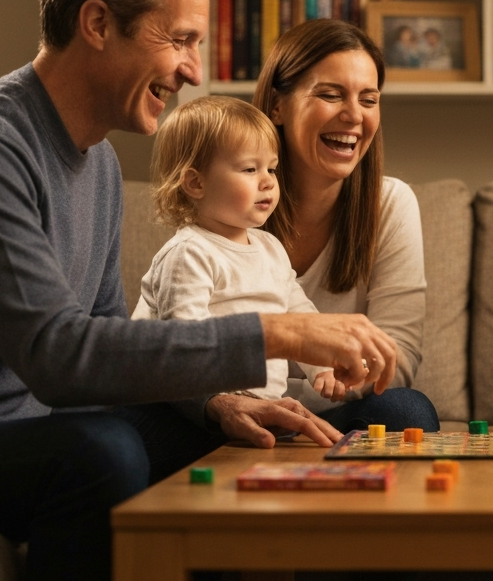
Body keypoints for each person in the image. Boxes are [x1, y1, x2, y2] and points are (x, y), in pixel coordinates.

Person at [0, 0, 400, 581]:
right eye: (179, 40)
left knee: (213, 439)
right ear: (97, 23)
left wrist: (213, 405)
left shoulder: (99, 166)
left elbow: (108, 337)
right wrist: (278, 332)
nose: (194, 70)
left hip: (45, 426)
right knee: (101, 452)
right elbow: (59, 357)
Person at [254, 19, 440, 581]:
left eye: (368, 98)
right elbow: (195, 335)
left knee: (408, 411)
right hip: (242, 408)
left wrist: (355, 374)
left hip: (348, 413)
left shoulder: (390, 204)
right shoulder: (226, 194)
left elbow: (404, 351)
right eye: (330, 94)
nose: (353, 117)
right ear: (278, 103)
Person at [132, 96, 342, 403]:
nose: (268, 182)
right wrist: (222, 401)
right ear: (195, 183)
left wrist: (323, 367)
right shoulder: (189, 254)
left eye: (271, 169)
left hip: (261, 405)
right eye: (249, 169)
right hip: (195, 409)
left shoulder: (270, 248)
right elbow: (185, 343)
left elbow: (298, 316)